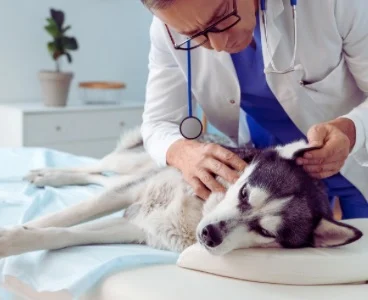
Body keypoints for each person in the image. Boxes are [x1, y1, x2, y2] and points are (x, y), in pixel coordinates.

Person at [139, 0, 368, 219]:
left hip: (356, 160)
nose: (218, 45)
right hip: (268, 177)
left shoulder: (335, 3)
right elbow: (158, 122)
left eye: (221, 16)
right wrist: (180, 151)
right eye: (195, 35)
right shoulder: (171, 27)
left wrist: (353, 129)